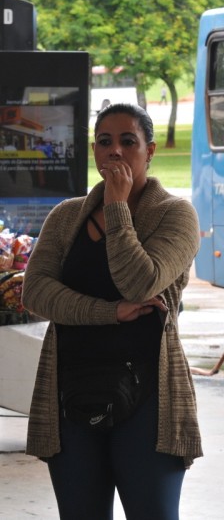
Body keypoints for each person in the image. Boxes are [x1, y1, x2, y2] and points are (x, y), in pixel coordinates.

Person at [22, 103, 202, 519]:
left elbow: (140, 281)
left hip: (148, 397)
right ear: (94, 150)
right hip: (71, 391)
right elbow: (36, 292)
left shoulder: (175, 215)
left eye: (128, 142)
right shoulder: (67, 216)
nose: (115, 152)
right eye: (105, 142)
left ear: (150, 150)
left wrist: (119, 207)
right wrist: (111, 312)